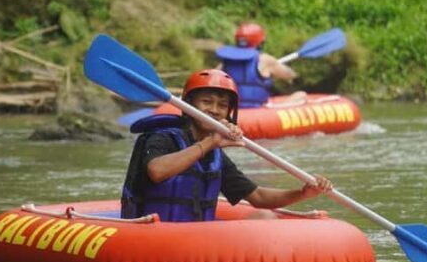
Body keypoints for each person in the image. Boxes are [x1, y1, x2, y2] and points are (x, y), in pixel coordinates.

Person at [121, 69, 331, 222]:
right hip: (151, 236)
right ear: (189, 104)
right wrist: (209, 142)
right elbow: (157, 171)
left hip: (194, 241)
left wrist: (302, 193)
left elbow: (257, 196)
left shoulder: (215, 155)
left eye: (222, 105)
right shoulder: (160, 137)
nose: (214, 110)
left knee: (264, 218)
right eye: (207, 102)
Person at [216, 23, 307, 109]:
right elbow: (290, 75)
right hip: (258, 111)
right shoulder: (265, 60)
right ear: (260, 43)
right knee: (301, 95)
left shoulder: (226, 62)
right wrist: (272, 72)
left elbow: (213, 78)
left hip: (233, 110)